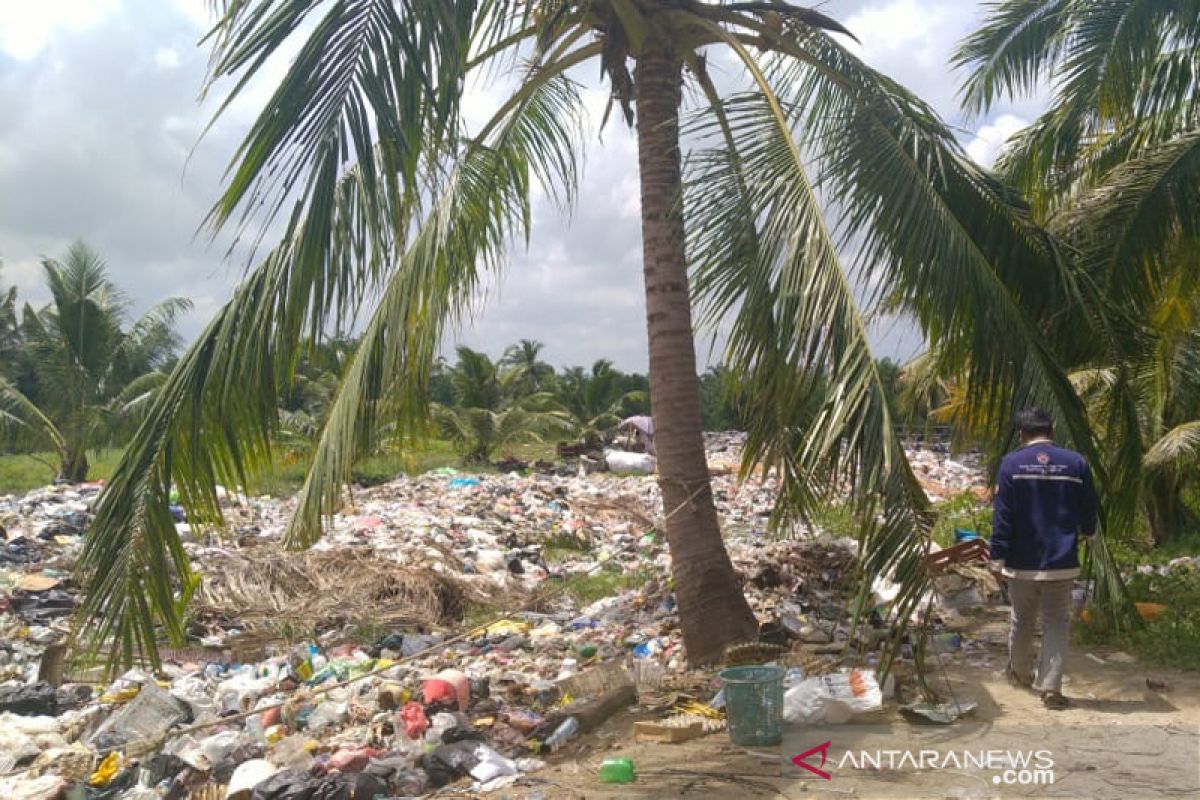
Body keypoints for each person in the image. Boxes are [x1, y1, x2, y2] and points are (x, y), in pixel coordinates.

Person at [989, 408, 1097, 710]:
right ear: (1051, 431)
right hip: (1062, 562)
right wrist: (1089, 532)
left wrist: (996, 556)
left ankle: (1020, 674)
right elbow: (1089, 507)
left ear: (1023, 434)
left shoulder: (1011, 464)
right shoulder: (1076, 463)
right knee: (1056, 623)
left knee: (1021, 620)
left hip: (1021, 561)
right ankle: (1051, 688)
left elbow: (1004, 516)